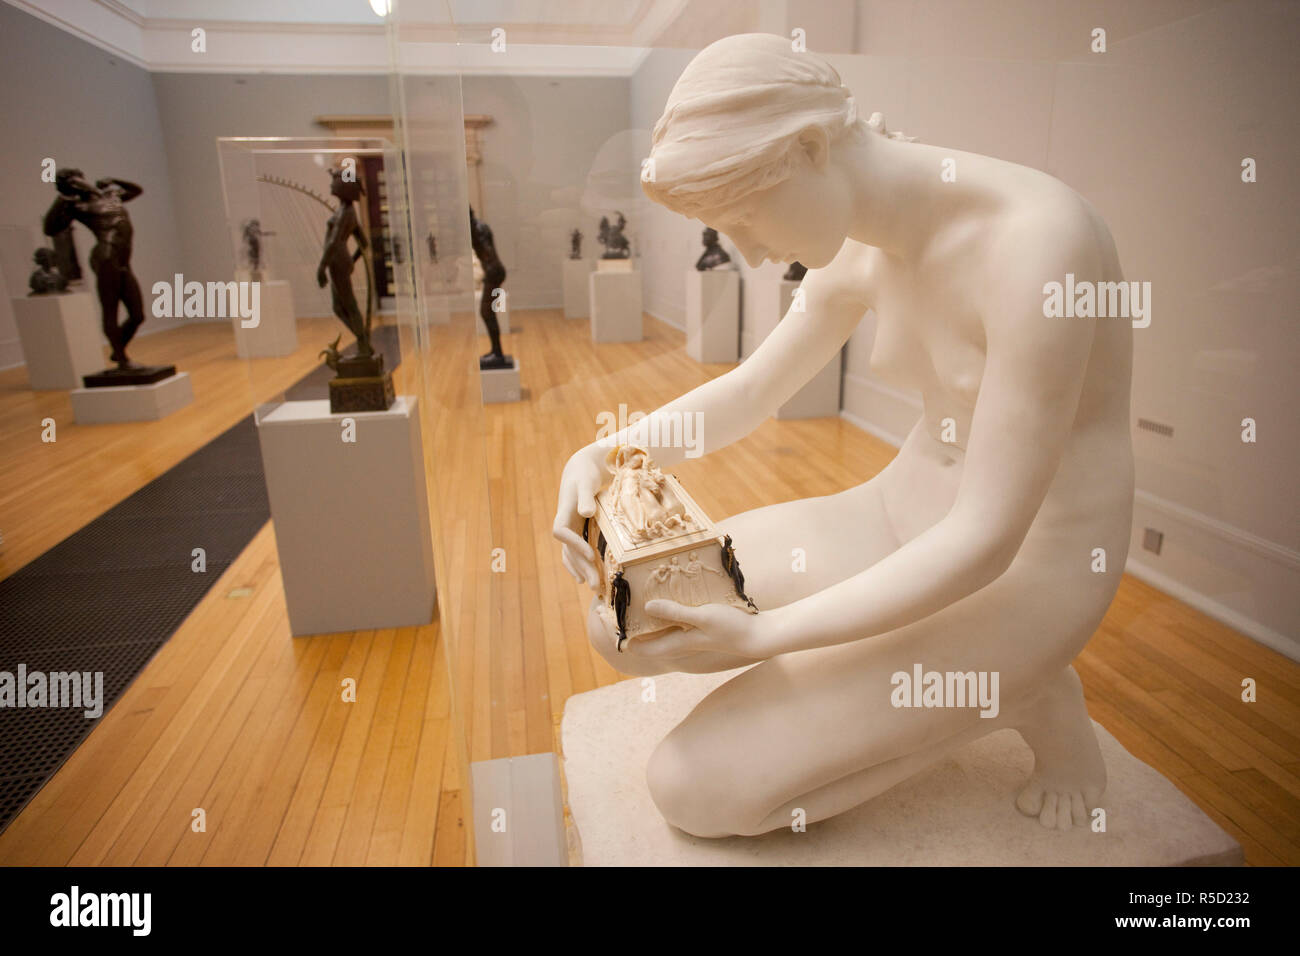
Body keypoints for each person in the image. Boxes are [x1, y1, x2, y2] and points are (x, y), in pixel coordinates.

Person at [553, 34, 1131, 838]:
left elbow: (988, 539)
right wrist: (607, 452)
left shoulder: (1039, 245)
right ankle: (943, 680)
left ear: (812, 147)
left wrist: (765, 636)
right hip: (898, 514)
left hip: (1027, 574)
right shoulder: (860, 235)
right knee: (625, 621)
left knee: (697, 790)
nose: (749, 253)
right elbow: (755, 389)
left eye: (745, 220)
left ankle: (1022, 686)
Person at [43, 169, 144, 366]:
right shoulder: (78, 206)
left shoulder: (112, 196)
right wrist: (62, 199)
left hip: (124, 261)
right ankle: (122, 359)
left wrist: (114, 178)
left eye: (76, 180)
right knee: (111, 309)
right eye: (70, 184)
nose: (76, 185)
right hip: (106, 257)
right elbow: (49, 228)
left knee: (137, 315)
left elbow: (136, 190)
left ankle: (118, 349)